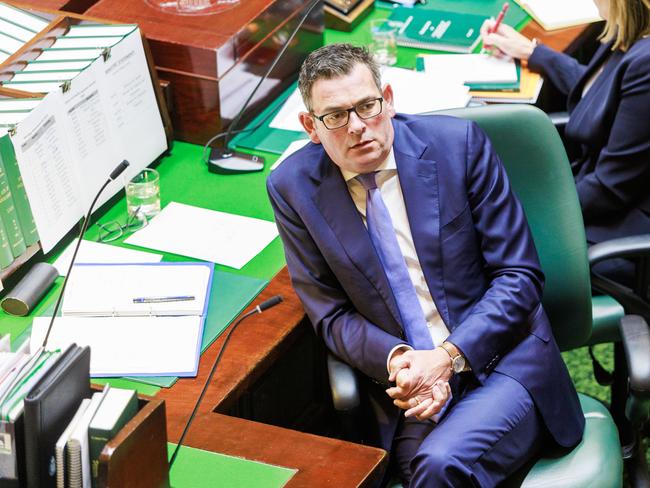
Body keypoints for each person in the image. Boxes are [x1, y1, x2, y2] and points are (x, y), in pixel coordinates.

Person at [266, 43, 584, 487]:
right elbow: (330, 313)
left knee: (437, 468)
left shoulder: (458, 147)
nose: (357, 127)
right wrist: (400, 361)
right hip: (413, 386)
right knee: (413, 471)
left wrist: (447, 359)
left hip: (502, 359)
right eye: (336, 116)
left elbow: (519, 277)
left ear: (389, 99)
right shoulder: (293, 187)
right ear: (310, 126)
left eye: (367, 106)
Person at [481, 0, 650, 285]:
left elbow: (610, 188)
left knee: (486, 257)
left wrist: (525, 217)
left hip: (616, 233)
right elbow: (600, 95)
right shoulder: (630, 32)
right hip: (590, 190)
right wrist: (532, 52)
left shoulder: (645, 63)